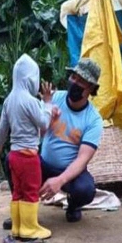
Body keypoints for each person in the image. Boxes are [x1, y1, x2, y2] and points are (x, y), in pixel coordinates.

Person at [0, 54, 58, 243]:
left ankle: (18, 228)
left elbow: (2, 128)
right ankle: (29, 229)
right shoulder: (30, 101)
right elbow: (44, 123)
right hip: (28, 157)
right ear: (31, 78)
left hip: (13, 156)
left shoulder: (9, 100)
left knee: (18, 191)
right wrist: (47, 102)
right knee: (30, 191)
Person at [38, 57, 102, 223]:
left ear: (91, 89)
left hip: (69, 171)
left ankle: (74, 205)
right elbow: (34, 135)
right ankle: (21, 207)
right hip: (42, 164)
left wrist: (59, 180)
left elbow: (82, 160)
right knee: (14, 160)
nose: (74, 82)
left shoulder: (93, 119)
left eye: (81, 81)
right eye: (74, 77)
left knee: (86, 190)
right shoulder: (53, 99)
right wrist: (47, 121)